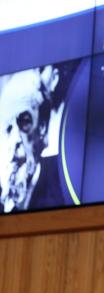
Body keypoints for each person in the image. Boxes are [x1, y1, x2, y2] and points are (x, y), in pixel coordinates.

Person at [0, 64, 66, 213]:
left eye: (24, 122)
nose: (15, 139)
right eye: (8, 128)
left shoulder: (60, 183)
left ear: (42, 127)